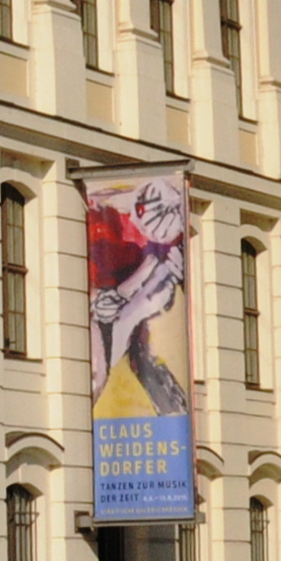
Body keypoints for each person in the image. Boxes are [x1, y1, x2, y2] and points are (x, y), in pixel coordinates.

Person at [88, 177, 190, 418]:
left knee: (143, 353)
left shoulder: (168, 243)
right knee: (97, 372)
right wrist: (98, 298)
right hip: (103, 294)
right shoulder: (103, 209)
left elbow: (148, 294)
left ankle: (173, 415)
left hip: (130, 297)